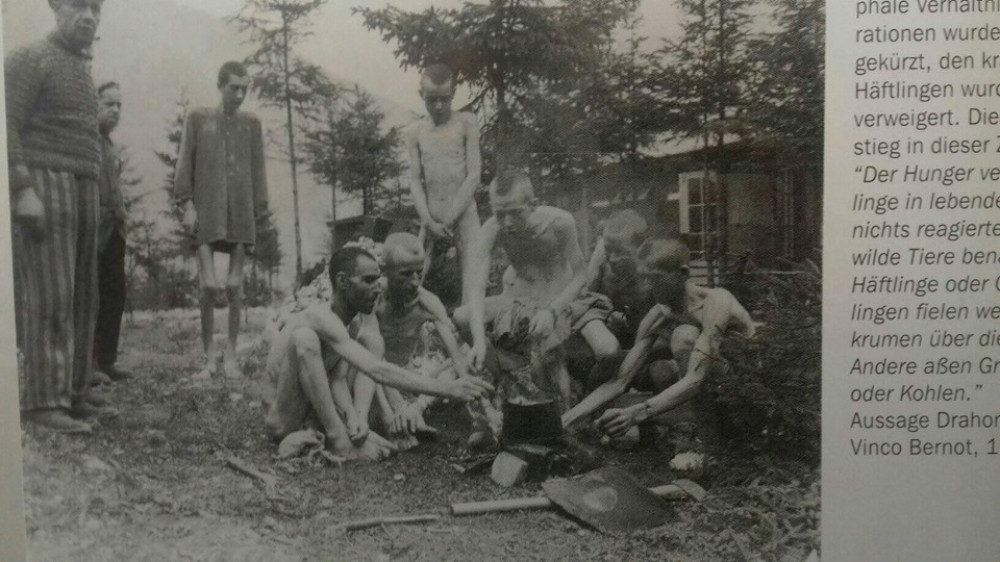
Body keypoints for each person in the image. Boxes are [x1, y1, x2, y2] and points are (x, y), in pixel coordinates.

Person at [264, 246, 493, 461]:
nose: (377, 288)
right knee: (305, 338)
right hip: (284, 420)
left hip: (313, 408)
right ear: (342, 281)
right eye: (368, 280)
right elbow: (376, 369)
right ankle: (338, 439)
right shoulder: (321, 318)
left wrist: (354, 416)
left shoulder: (351, 322)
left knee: (372, 341)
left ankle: (348, 429)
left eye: (378, 279)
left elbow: (337, 379)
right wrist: (447, 389)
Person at [6, 0, 106, 433]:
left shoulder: (81, 66)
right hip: (46, 182)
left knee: (85, 295)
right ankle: (45, 402)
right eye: (77, 5)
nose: (88, 15)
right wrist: (21, 187)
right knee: (52, 293)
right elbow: (5, 122)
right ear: (55, 7)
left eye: (96, 7)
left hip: (85, 184)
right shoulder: (29, 58)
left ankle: (75, 392)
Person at [561, 238, 756, 445]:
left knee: (684, 337)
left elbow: (696, 378)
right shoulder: (658, 317)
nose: (647, 287)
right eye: (643, 278)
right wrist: (566, 419)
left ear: (683, 274)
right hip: (711, 394)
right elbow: (620, 381)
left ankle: (711, 445)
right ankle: (686, 434)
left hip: (750, 393)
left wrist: (636, 413)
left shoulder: (716, 302)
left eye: (654, 278)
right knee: (659, 366)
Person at [458, 170, 618, 411]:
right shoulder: (493, 228)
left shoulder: (560, 223)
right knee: (462, 317)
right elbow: (476, 284)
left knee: (608, 350)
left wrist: (552, 311)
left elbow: (581, 275)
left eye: (515, 212)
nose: (508, 222)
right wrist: (479, 340)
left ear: (532, 204)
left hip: (564, 301)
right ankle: (510, 375)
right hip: (519, 301)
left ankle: (589, 404)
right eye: (500, 213)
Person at [174, 61, 268, 380]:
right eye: (234, 88)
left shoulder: (251, 124)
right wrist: (187, 203)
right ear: (220, 86)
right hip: (207, 211)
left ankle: (230, 357)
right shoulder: (199, 119)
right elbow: (185, 162)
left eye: (245, 88)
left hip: (241, 213)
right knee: (208, 286)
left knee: (234, 285)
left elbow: (258, 170)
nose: (240, 94)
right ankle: (208, 358)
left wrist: (259, 210)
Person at [368, 233, 500, 449]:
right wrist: (397, 404)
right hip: (376, 378)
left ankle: (417, 409)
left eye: (419, 273)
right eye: (405, 274)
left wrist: (485, 408)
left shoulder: (428, 303)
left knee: (464, 355)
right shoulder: (373, 298)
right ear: (385, 271)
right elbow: (371, 357)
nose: (413, 282)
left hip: (410, 378)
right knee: (366, 353)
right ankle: (399, 416)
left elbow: (457, 359)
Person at [405, 63, 482, 304]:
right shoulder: (415, 132)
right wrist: (428, 221)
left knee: (473, 289)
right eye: (431, 100)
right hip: (431, 221)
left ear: (453, 94)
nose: (438, 106)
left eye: (444, 99)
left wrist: (451, 220)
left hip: (464, 217)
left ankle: (473, 337)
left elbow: (474, 175)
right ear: (421, 95)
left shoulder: (466, 124)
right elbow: (415, 181)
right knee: (410, 284)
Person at [92, 80, 132, 384]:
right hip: (93, 229)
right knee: (90, 295)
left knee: (115, 294)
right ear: (94, 103)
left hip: (115, 229)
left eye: (119, 105)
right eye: (109, 104)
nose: (116, 110)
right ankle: (88, 365)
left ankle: (106, 360)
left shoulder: (111, 146)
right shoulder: (86, 141)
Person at [585, 209, 651, 350]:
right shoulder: (601, 256)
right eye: (608, 249)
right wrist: (605, 315)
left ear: (642, 248)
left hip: (644, 334)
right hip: (609, 332)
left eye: (621, 252)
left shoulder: (653, 264)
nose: (613, 259)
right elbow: (584, 300)